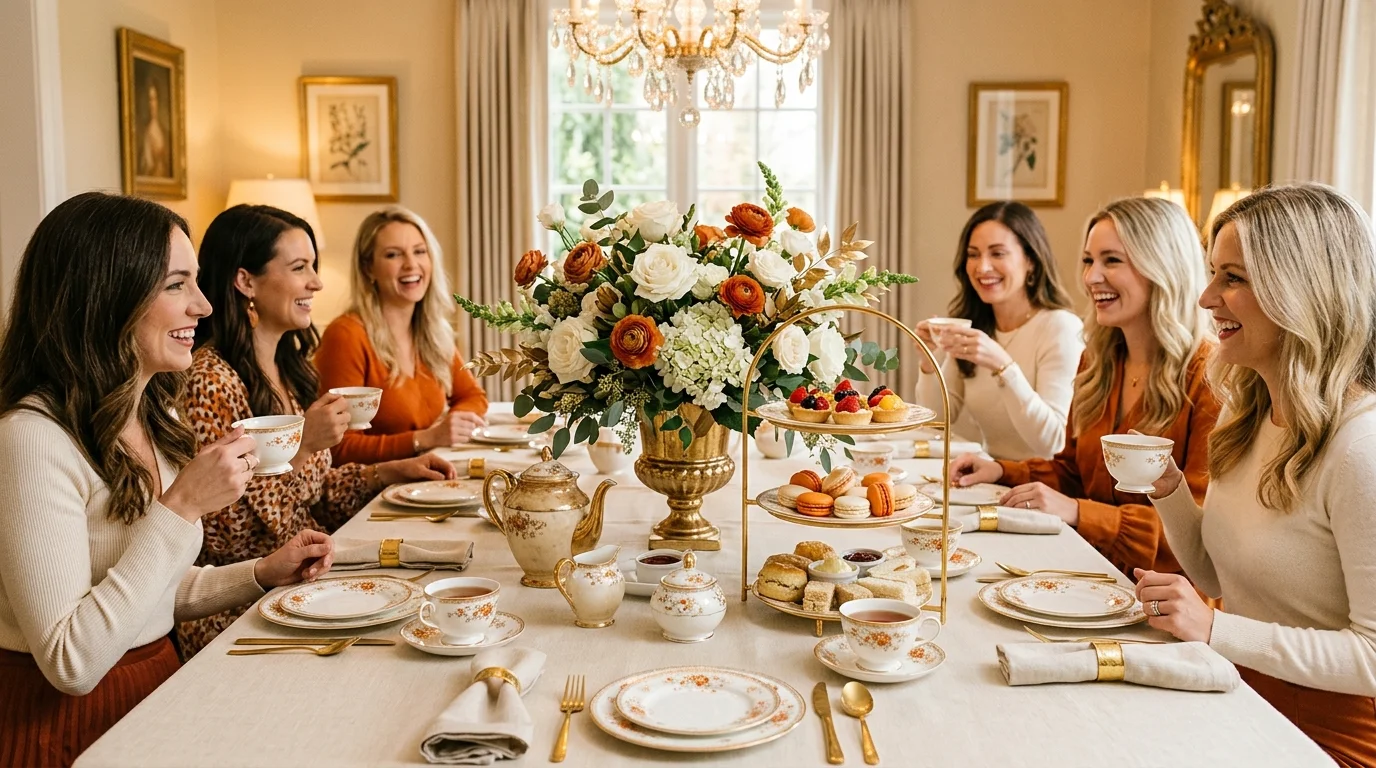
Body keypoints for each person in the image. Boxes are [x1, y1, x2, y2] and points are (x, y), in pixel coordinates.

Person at [0, 193, 333, 767]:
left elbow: (147, 596)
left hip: (155, 688)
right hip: (63, 726)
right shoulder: (32, 439)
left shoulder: (155, 415)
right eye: (176, 285)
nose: (204, 306)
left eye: (197, 283)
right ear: (107, 297)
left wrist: (257, 574)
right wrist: (179, 508)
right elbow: (71, 661)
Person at [1137, 184, 1376, 765]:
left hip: (1327, 738)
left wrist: (1217, 632)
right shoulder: (1247, 414)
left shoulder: (1360, 448)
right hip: (1235, 691)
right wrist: (1168, 489)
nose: (1205, 297)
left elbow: (1370, 659)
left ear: (1302, 292)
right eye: (1213, 272)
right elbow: (1218, 577)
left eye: (1232, 278)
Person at [178, 204, 454, 657]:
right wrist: (305, 445)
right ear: (245, 281)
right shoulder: (211, 380)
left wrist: (386, 471)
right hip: (239, 609)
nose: (317, 283)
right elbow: (225, 533)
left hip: (305, 579)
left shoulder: (290, 371)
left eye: (314, 267)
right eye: (299, 268)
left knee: (430, 605)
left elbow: (316, 494)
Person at [951, 197, 1218, 577]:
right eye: (1089, 261)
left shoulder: (1209, 377)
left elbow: (1198, 536)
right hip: (1088, 570)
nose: (1091, 277)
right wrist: (1001, 470)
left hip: (1168, 598)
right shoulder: (1098, 362)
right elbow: (1074, 472)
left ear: (1163, 266)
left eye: (1112, 260)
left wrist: (1079, 512)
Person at [315, 206, 488, 465]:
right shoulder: (346, 336)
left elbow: (474, 397)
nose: (411, 264)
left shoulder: (433, 331)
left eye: (419, 251)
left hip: (423, 476)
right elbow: (338, 449)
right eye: (393, 255)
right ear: (368, 269)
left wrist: (453, 425)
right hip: (372, 492)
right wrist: (425, 438)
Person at [914, 201, 1083, 460]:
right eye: (973, 254)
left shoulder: (1060, 328)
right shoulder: (975, 326)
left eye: (998, 253)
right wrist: (929, 363)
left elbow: (1053, 444)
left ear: (1031, 261)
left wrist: (1003, 366)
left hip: (1044, 487)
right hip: (992, 478)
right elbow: (932, 424)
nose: (982, 267)